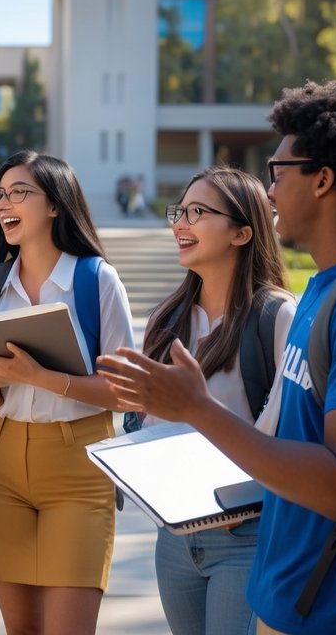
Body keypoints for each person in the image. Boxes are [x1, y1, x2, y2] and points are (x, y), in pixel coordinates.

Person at [102, 79, 336, 634]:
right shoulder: (324, 296)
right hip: (291, 595)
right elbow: (289, 447)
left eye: (279, 173)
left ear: (323, 180)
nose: (270, 190)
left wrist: (197, 409)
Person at [0, 149, 136, 635]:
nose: (4, 203)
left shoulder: (96, 279)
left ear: (56, 204)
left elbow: (124, 394)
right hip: (0, 463)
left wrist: (39, 376)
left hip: (79, 465)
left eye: (20, 192)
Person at [137, 166, 296, 635]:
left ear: (242, 232)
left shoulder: (278, 316)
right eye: (179, 212)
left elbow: (284, 431)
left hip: (244, 535)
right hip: (175, 538)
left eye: (198, 212)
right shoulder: (165, 318)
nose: (180, 224)